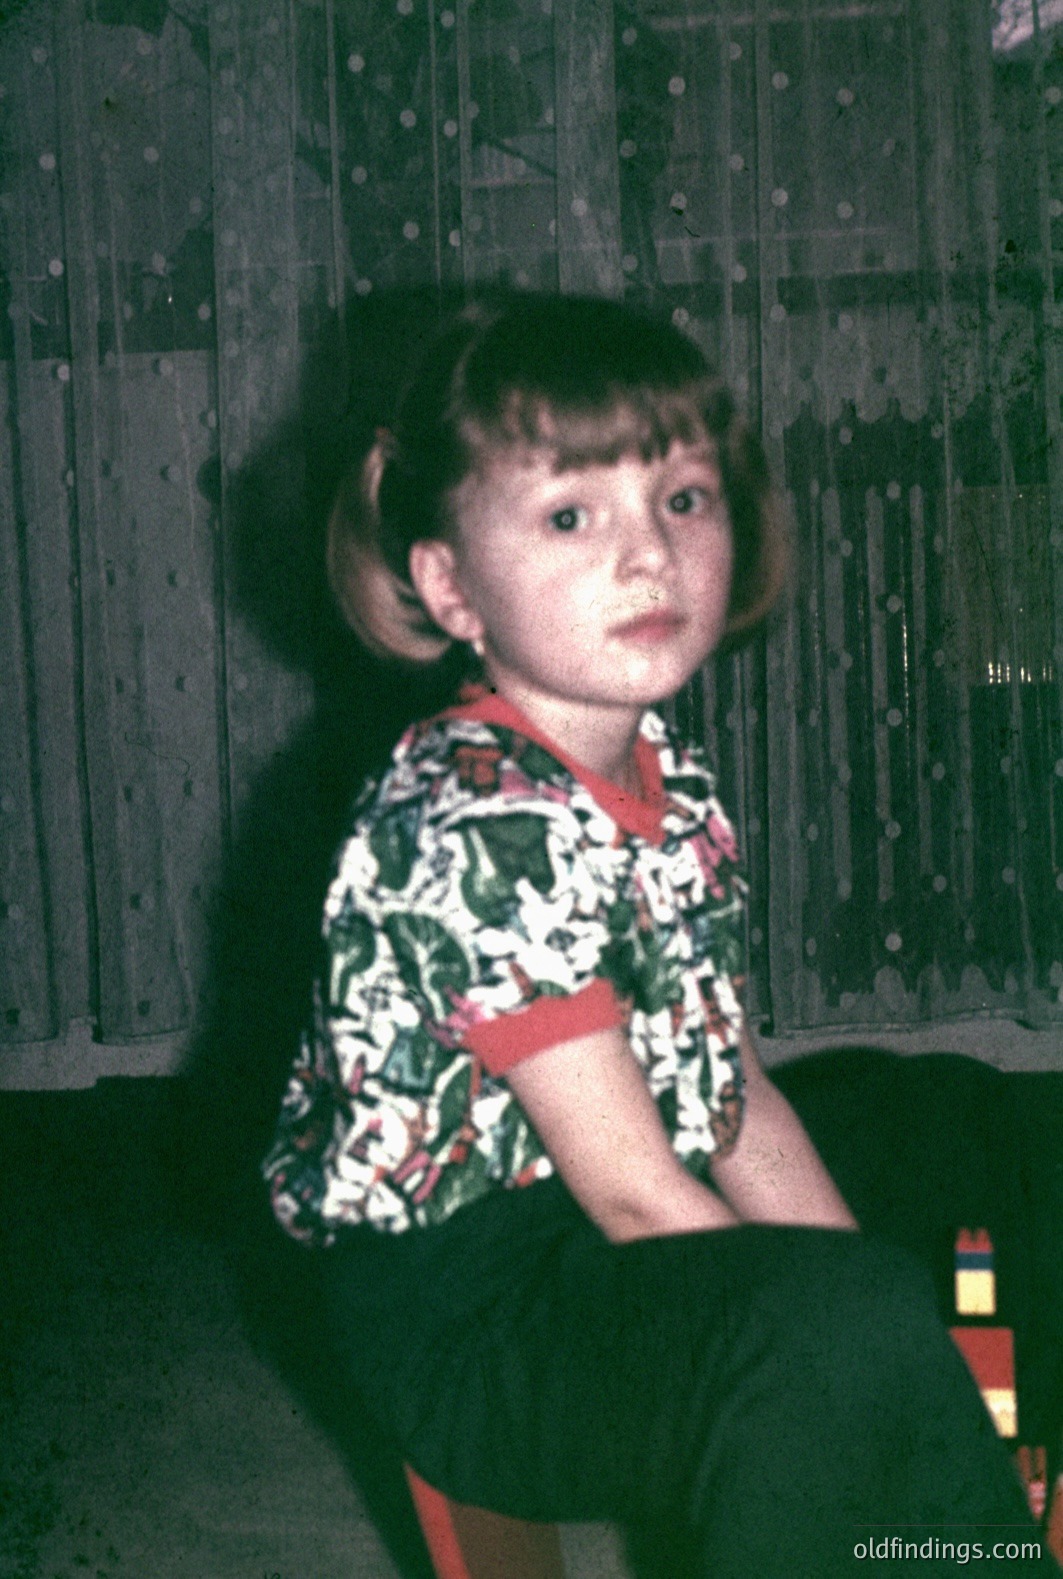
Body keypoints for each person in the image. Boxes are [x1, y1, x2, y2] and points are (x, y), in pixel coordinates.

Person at [262, 293, 1051, 1576]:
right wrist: (854, 1334)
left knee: (963, 1127)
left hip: (603, 1213)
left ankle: (965, 1515)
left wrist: (881, 1317)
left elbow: (724, 1094)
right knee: (825, 1334)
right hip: (474, 1314)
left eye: (681, 499)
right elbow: (636, 1195)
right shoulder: (469, 816)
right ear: (451, 585)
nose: (649, 557)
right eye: (572, 516)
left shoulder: (663, 781)